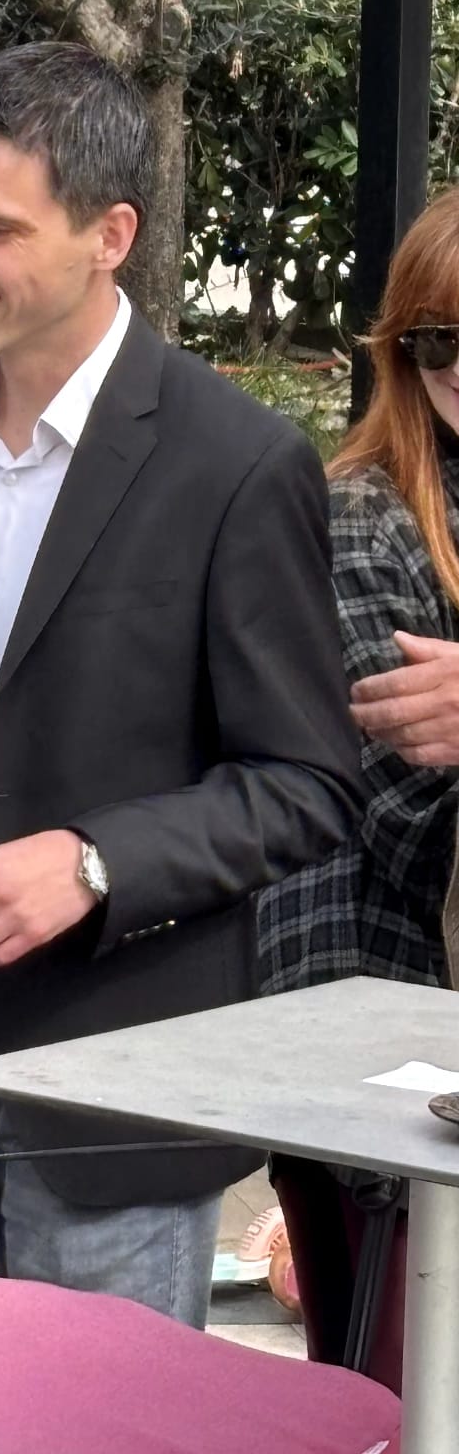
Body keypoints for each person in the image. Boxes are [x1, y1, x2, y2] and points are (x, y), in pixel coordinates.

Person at [0, 41, 359, 1328]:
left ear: (110, 235)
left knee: (94, 1414)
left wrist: (92, 865)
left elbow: (307, 784)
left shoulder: (236, 462)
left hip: (119, 1081)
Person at [261, 187, 459, 994]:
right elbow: (418, 837)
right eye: (438, 340)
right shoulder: (361, 517)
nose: (457, 368)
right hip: (380, 983)